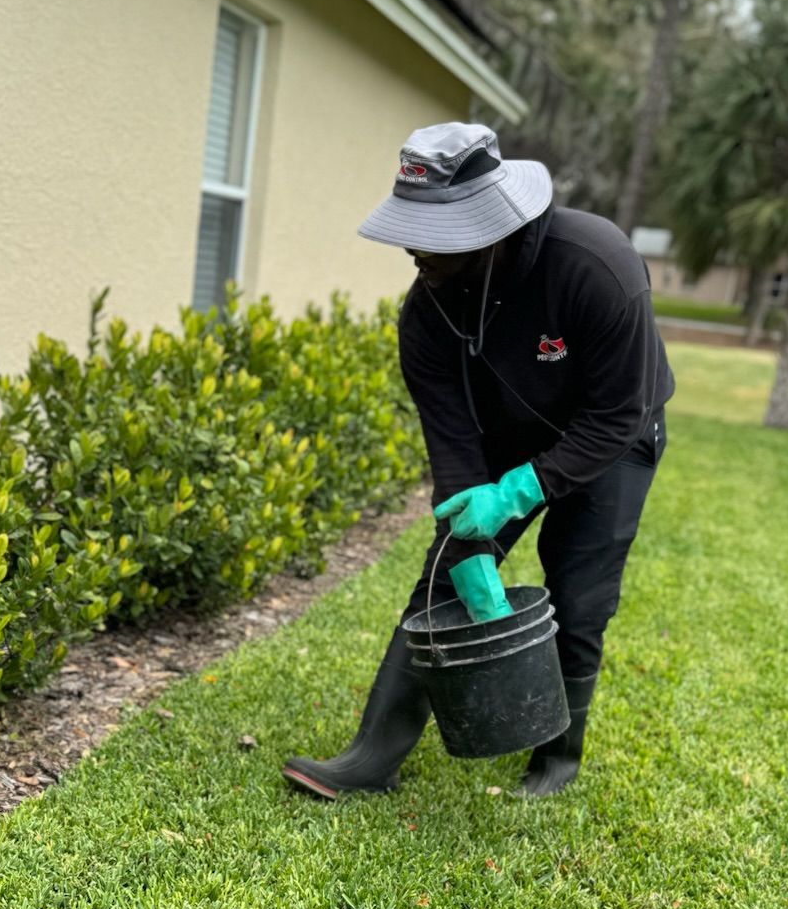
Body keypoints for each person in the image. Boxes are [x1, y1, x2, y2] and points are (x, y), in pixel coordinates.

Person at [283, 122, 674, 800]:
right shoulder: (425, 318)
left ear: (490, 227)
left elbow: (618, 413)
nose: (415, 248)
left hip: (614, 436)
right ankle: (373, 758)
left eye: (435, 234)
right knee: (446, 571)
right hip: (505, 439)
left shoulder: (595, 266)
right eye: (413, 228)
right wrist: (473, 537)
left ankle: (556, 759)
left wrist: (528, 487)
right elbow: (454, 447)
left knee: (580, 597)